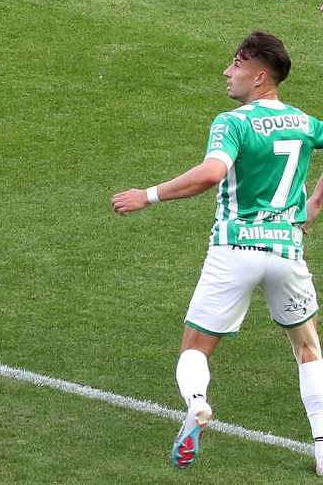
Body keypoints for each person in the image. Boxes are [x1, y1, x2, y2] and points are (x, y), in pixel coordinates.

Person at [112, 31, 323, 473]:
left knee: (196, 347)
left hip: (234, 248)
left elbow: (210, 174)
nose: (227, 73)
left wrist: (146, 195)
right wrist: (315, 204)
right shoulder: (305, 122)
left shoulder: (234, 122)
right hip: (288, 250)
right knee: (307, 348)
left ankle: (197, 404)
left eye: (236, 65)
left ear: (260, 76)